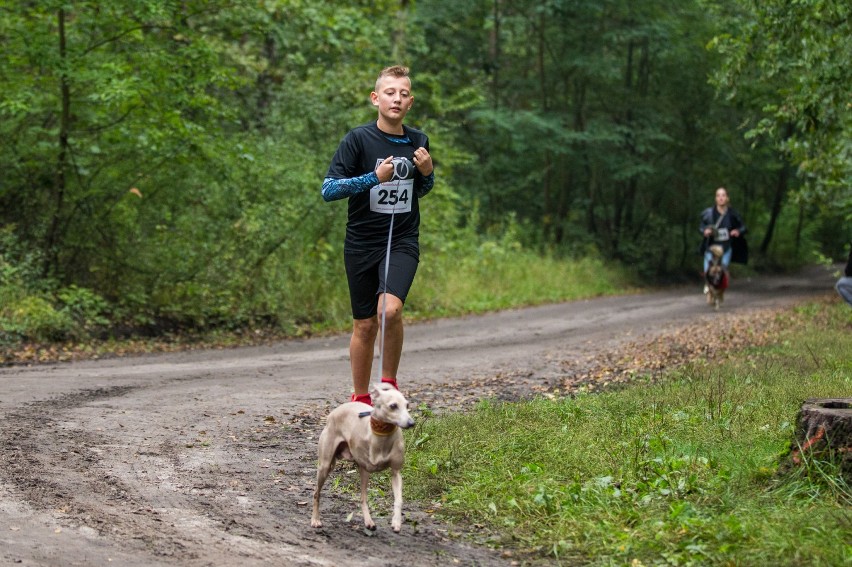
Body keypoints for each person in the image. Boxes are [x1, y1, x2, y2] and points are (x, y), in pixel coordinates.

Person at [321, 65, 434, 405]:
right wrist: (372, 178)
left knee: (390, 311)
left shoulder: (419, 141)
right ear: (376, 98)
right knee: (365, 325)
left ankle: (388, 385)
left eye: (402, 94)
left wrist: (428, 175)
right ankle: (360, 399)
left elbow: (420, 190)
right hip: (361, 243)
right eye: (389, 92)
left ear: (410, 102)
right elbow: (329, 189)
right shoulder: (357, 140)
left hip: (401, 240)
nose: (396, 99)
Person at [699, 187, 747, 293]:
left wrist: (737, 231)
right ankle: (708, 285)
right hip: (711, 247)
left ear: (727, 198)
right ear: (715, 198)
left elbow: (743, 227)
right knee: (708, 270)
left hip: (726, 248)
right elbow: (701, 226)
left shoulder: (732, 214)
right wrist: (705, 231)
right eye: (718, 195)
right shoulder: (708, 213)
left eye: (723, 195)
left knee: (722, 271)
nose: (721, 198)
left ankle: (720, 289)